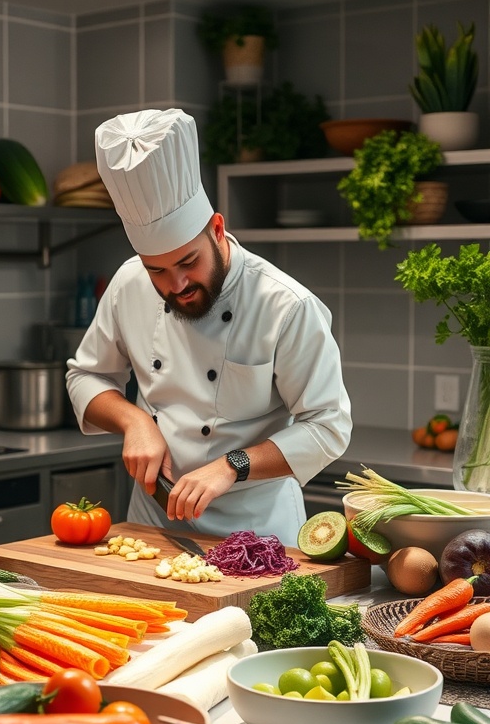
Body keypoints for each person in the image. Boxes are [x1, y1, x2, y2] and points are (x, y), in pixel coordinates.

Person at [66, 108, 351, 546]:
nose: (176, 284)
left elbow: (327, 426)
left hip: (258, 531)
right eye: (157, 270)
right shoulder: (129, 283)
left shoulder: (286, 306)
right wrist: (134, 421)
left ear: (217, 229)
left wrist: (230, 465)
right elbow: (86, 374)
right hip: (152, 526)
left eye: (187, 262)